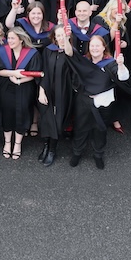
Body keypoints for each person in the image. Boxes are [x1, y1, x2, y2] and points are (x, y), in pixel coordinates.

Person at [63, 33, 131, 169]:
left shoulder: (111, 63)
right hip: (84, 101)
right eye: (92, 46)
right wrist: (65, 37)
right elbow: (69, 53)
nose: (94, 48)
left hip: (103, 102)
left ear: (103, 48)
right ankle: (77, 152)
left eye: (97, 46)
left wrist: (121, 65)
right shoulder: (83, 61)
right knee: (80, 128)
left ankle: (98, 154)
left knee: (100, 129)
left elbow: (123, 78)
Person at [0, 26, 40, 161]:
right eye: (8, 38)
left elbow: (35, 73)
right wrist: (13, 74)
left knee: (22, 114)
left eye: (12, 38)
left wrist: (20, 80)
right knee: (7, 114)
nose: (9, 41)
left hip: (25, 88)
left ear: (21, 39)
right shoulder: (1, 52)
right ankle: (8, 142)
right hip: (6, 88)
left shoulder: (32, 53)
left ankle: (17, 144)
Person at [36, 25, 74, 166]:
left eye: (63, 35)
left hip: (63, 91)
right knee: (46, 118)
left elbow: (70, 54)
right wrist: (41, 90)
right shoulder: (48, 51)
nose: (61, 38)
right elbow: (43, 71)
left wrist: (67, 41)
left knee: (57, 121)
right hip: (47, 88)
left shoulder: (70, 51)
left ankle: (52, 149)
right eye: (58, 35)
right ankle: (46, 145)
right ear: (54, 37)